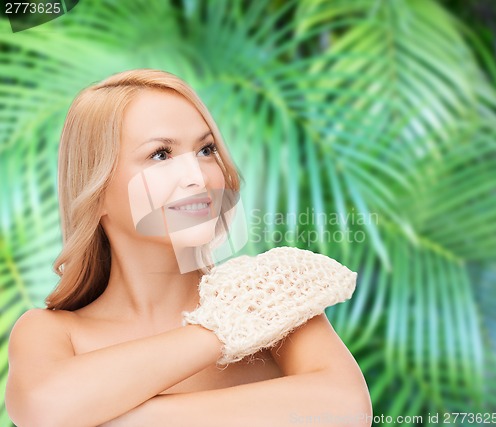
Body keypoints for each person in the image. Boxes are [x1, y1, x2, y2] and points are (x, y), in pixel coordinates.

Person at [5, 69, 372, 427]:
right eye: (161, 155)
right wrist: (220, 329)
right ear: (96, 190)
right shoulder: (50, 332)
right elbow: (43, 408)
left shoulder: (270, 300)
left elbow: (347, 409)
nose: (198, 177)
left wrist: (114, 416)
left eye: (206, 149)